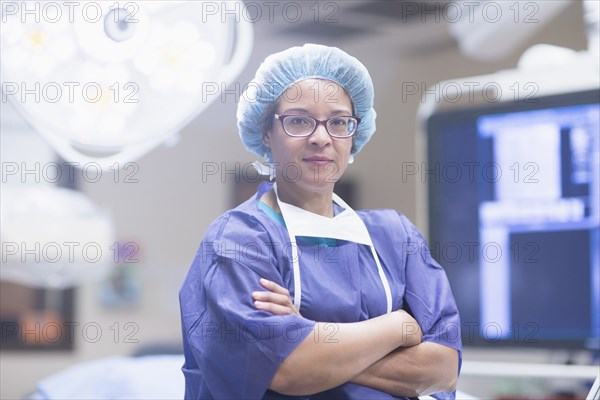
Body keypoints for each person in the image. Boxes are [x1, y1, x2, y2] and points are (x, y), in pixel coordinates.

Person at [179, 43, 462, 400]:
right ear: (266, 133)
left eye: (339, 122)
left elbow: (442, 369)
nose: (321, 137)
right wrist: (399, 327)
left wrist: (308, 335)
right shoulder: (239, 241)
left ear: (354, 135)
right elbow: (289, 371)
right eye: (298, 120)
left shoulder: (395, 237)